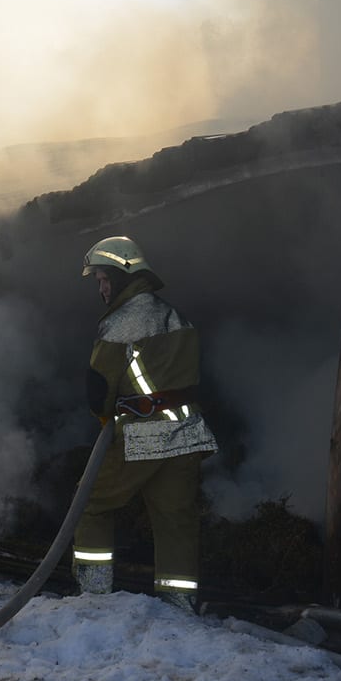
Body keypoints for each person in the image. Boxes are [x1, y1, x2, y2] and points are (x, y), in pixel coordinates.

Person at [75, 236, 218, 612]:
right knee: (177, 523)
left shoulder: (119, 324)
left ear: (123, 276)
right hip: (186, 432)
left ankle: (92, 601)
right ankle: (178, 607)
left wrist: (108, 418)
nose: (102, 289)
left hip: (143, 435)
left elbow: (100, 391)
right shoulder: (177, 317)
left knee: (92, 506)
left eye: (104, 280)